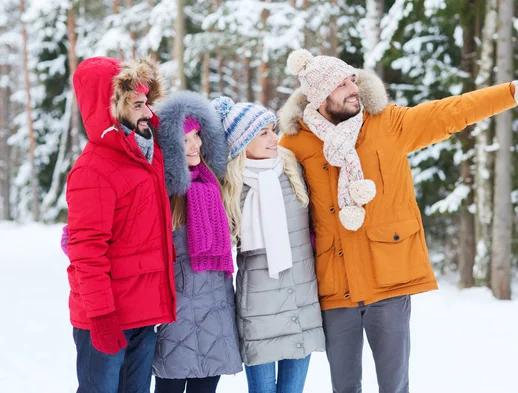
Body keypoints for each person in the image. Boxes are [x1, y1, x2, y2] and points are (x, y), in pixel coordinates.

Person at [278, 49, 518, 393]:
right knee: (343, 386)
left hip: (388, 279)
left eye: (352, 79)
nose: (352, 88)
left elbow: (453, 111)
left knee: (395, 385)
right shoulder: (295, 142)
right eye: (341, 85)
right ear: (320, 95)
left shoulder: (388, 123)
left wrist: (517, 90)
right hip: (334, 285)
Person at [65, 56, 176, 393]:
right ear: (111, 107)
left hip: (143, 314)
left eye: (147, 102)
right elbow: (86, 251)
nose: (147, 112)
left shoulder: (147, 154)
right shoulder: (93, 170)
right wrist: (101, 317)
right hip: (107, 317)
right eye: (136, 103)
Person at [212, 97, 325, 393]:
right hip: (259, 308)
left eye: (272, 129)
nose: (275, 138)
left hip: (301, 299)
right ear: (242, 141)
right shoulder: (229, 187)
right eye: (263, 133)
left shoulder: (292, 171)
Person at [151, 91, 243, 393]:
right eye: (186, 139)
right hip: (175, 313)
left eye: (198, 136)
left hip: (215, 311)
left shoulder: (213, 184)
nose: (196, 145)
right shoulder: (162, 192)